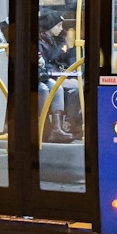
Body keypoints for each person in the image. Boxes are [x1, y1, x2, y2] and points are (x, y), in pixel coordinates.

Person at [37, 11, 79, 141]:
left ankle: (57, 128)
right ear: (49, 26)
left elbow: (65, 57)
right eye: (58, 26)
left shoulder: (54, 40)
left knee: (58, 88)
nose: (61, 29)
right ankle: (43, 126)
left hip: (49, 75)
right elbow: (48, 63)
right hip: (46, 75)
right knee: (44, 89)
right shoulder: (40, 42)